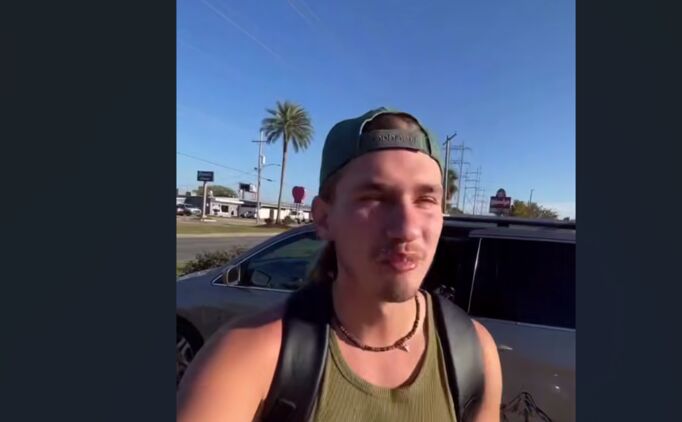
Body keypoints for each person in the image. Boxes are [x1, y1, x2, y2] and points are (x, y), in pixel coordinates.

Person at [177, 108, 502, 422]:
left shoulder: (473, 352)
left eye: (426, 199)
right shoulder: (247, 358)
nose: (407, 228)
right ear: (323, 218)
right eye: (374, 198)